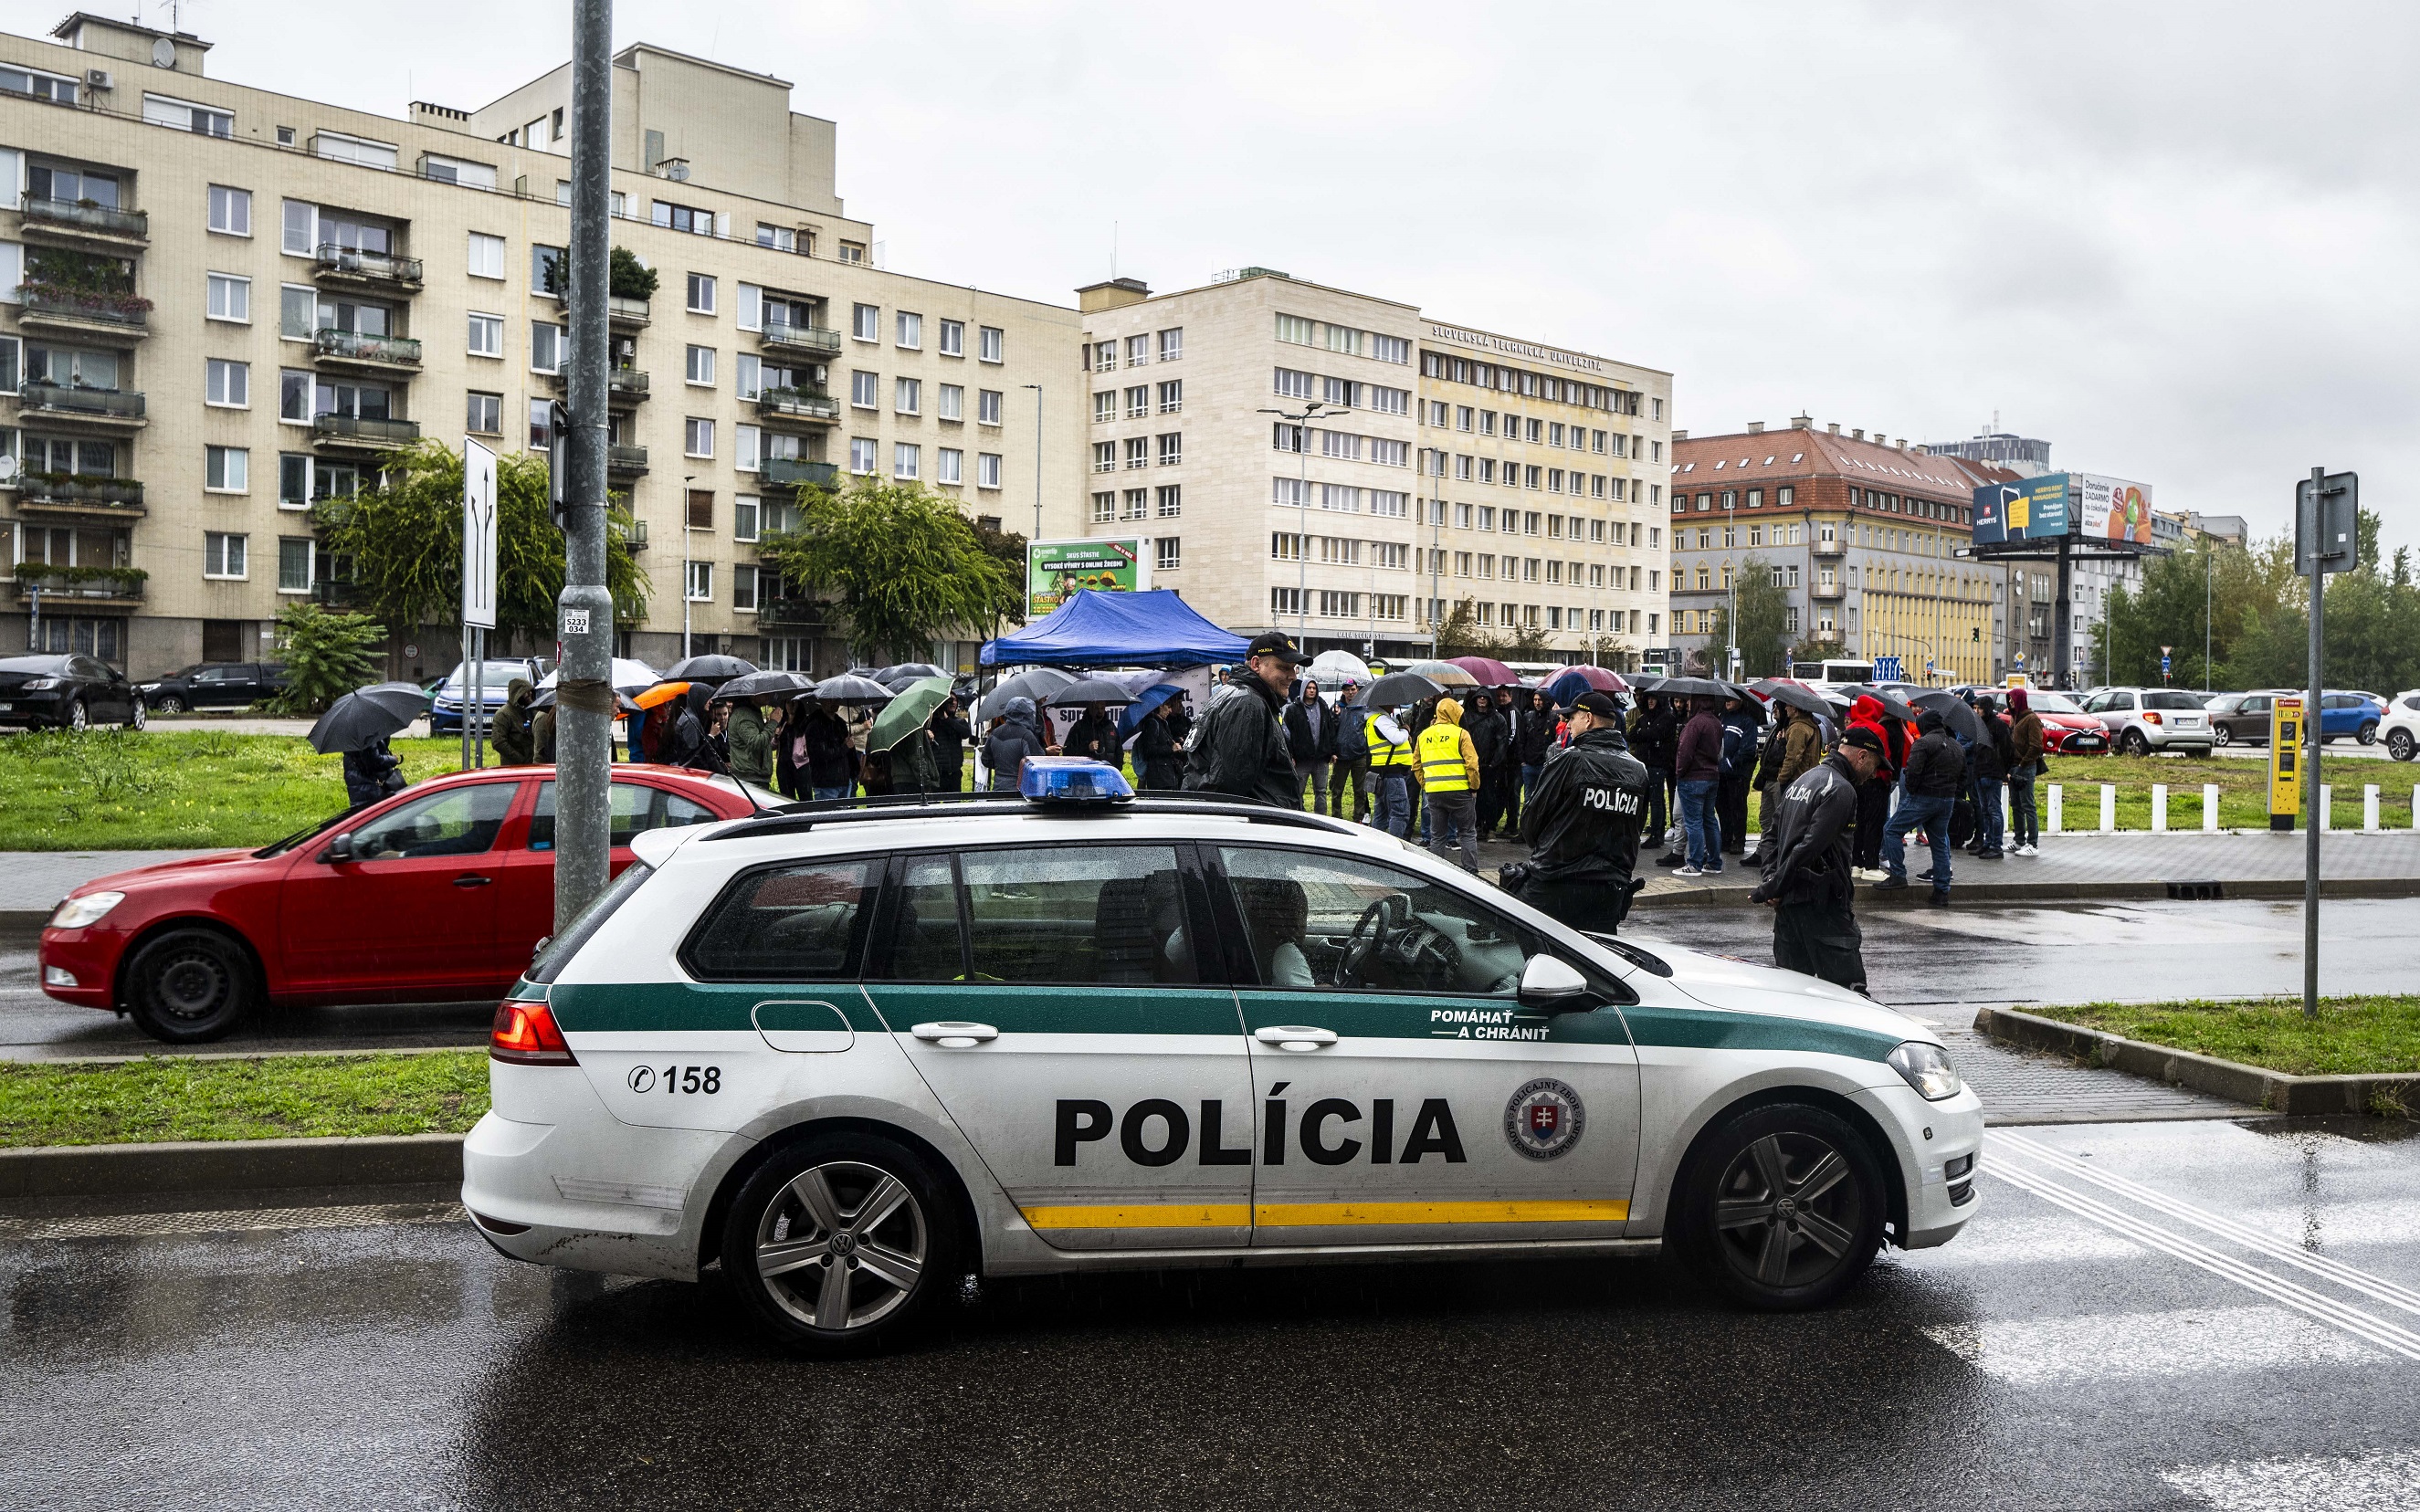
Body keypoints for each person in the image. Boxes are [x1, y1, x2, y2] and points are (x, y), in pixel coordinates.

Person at [1751, 725, 1883, 993]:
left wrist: (1772, 881)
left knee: (1792, 995)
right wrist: (1773, 886)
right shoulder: (1841, 789)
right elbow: (1810, 847)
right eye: (1875, 765)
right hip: (1824, 908)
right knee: (1847, 995)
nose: (1874, 774)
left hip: (1788, 909)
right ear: (1861, 757)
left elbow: (1770, 838)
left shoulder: (1803, 781)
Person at [1510, 691, 1650, 929]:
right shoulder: (1638, 771)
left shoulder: (1569, 761)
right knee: (1595, 962)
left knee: (1536, 958)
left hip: (1555, 884)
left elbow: (1530, 823)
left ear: (1588, 718)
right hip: (1608, 891)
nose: (1567, 724)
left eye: (1571, 718)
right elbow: (1634, 828)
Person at [1183, 631, 1303, 807]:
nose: (1293, 676)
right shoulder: (1248, 703)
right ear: (1256, 664)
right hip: (1257, 827)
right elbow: (1227, 791)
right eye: (1284, 667)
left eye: (1294, 668)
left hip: (1253, 824)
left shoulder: (1234, 694)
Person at [1877, 709, 1962, 903]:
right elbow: (1963, 776)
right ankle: (1941, 891)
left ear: (1924, 725)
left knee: (1891, 830)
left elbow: (1912, 773)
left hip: (1924, 797)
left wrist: (1914, 791)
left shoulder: (1923, 743)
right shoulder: (1956, 746)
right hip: (1947, 799)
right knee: (1939, 842)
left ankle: (1898, 875)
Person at [1415, 695, 1482, 873]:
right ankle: (1471, 872)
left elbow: (1416, 766)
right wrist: (1474, 787)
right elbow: (1472, 764)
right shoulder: (1461, 734)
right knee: (1467, 832)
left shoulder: (1424, 735)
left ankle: (1437, 874)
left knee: (1437, 837)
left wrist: (1427, 785)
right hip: (1460, 792)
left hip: (1434, 793)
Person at [1847, 695, 1899, 881]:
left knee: (1857, 822)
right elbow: (1884, 757)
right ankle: (1871, 865)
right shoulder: (1879, 729)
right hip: (1876, 782)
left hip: (1854, 782)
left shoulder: (1851, 728)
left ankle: (1856, 864)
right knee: (1874, 823)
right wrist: (1887, 778)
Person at [1759, 701, 1824, 849]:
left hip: (1795, 780)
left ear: (1794, 708)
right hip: (1807, 779)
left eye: (1787, 706)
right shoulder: (1811, 725)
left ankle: (1781, 854)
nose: (1785, 709)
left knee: (1787, 821)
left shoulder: (1798, 728)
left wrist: (1782, 778)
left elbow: (1793, 757)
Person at [1673, 695, 1725, 877]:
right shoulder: (1716, 723)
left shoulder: (1694, 724)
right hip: (1712, 776)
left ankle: (1694, 863)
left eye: (1689, 700)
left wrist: (1679, 771)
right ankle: (1714, 862)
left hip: (1693, 777)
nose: (1687, 703)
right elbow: (1719, 752)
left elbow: (1685, 752)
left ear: (1697, 702)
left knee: (1693, 822)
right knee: (1710, 820)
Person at [1631, 693, 1680, 866]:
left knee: (1656, 800)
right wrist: (1647, 734)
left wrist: (1645, 734)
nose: (1650, 702)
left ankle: (1657, 834)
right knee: (1647, 799)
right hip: (1644, 763)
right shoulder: (1644, 718)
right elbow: (1633, 735)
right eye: (1648, 699)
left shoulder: (1667, 718)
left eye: (1654, 699)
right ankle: (1652, 829)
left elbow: (1657, 734)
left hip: (1658, 764)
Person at [1282, 678, 1339, 813]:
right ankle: (1299, 816)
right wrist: (1291, 755)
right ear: (1303, 690)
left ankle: (1321, 819)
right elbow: (1286, 734)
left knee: (1321, 791)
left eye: (1314, 688)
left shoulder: (1323, 706)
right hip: (1301, 759)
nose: (1312, 690)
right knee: (1298, 791)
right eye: (1309, 688)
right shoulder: (1293, 709)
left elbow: (1330, 730)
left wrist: (1333, 751)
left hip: (1321, 758)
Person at [1716, 693, 1762, 859]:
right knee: (1722, 807)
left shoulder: (1747, 721)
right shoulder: (1722, 717)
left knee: (1737, 807)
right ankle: (1726, 838)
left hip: (1738, 773)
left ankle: (1739, 840)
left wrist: (1730, 763)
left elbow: (1748, 749)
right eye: (1726, 699)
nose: (1727, 702)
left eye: (1731, 699)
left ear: (1740, 701)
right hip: (1720, 772)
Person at [1364, 704, 1416, 836]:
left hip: (1382, 774)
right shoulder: (1381, 720)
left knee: (1381, 816)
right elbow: (1397, 739)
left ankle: (1376, 847)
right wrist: (1405, 731)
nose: (1393, 705)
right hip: (1392, 774)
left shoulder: (1372, 720)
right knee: (1400, 814)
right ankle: (1395, 848)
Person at [1468, 689, 1511, 842]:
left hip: (1490, 765)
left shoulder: (1498, 718)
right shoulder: (1468, 717)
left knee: (1490, 797)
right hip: (1472, 765)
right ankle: (1477, 825)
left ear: (1489, 700)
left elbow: (1502, 742)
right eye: (1479, 697)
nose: (1481, 699)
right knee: (1474, 798)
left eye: (1484, 697)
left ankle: (1491, 827)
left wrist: (1494, 763)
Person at [1970, 697, 2010, 861]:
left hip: (1992, 773)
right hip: (1980, 772)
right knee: (1985, 809)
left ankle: (1996, 845)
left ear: (1986, 708)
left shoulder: (1998, 725)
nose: (1976, 711)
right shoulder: (1980, 725)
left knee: (1994, 810)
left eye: (1979, 708)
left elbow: (2007, 749)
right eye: (1975, 708)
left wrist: (2003, 769)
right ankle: (1988, 842)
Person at [983, 695, 1049, 792]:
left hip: (998, 788)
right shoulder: (1026, 735)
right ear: (1029, 714)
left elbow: (985, 759)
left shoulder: (995, 732)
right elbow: (1036, 763)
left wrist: (1002, 768)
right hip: (1019, 790)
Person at [2006, 688, 2044, 856]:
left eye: (2013, 699)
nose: (2010, 702)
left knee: (2028, 804)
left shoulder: (2031, 719)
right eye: (2009, 700)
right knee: (2016, 804)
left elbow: (2036, 746)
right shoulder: (2015, 719)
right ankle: (2019, 839)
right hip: (2014, 766)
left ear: (2020, 700)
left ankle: (2033, 844)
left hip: (2026, 767)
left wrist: (2023, 763)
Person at [803, 699, 858, 799]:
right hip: (826, 783)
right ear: (823, 701)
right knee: (827, 813)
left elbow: (848, 751)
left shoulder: (840, 723)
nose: (835, 703)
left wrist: (854, 770)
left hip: (844, 780)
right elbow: (821, 754)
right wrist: (844, 747)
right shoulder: (815, 726)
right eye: (830, 700)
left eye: (837, 699)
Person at [1332, 683, 1372, 821]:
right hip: (1341, 756)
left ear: (1357, 690)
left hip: (1359, 755)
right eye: (1347, 690)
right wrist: (1335, 716)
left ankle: (1359, 817)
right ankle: (1336, 816)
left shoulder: (1364, 709)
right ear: (1343, 691)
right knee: (1337, 790)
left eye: (1353, 689)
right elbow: (1331, 730)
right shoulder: (1336, 708)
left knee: (1360, 790)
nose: (1350, 692)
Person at [1133, 696, 1185, 790]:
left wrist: (1175, 742)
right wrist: (1171, 749)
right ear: (1161, 706)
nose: (1170, 711)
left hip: (1166, 775)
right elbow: (1149, 750)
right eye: (1168, 707)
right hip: (1159, 777)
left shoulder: (1163, 723)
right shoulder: (1152, 723)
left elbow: (1162, 742)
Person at [342, 736, 405, 811]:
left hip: (359, 784)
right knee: (376, 815)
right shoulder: (366, 733)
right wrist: (393, 760)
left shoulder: (353, 733)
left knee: (363, 814)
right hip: (371, 787)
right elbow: (374, 761)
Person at [928, 698, 973, 793]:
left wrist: (947, 719)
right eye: (949, 701)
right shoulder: (933, 722)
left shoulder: (959, 721)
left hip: (955, 772)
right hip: (938, 772)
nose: (952, 703)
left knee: (954, 804)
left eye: (955, 700)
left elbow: (966, 733)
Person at [725, 698, 773, 786]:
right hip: (750, 779)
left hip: (755, 775)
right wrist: (773, 722)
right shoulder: (744, 716)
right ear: (752, 696)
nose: (768, 695)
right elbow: (756, 743)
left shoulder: (752, 713)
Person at [1062, 701, 1121, 767]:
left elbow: (1119, 750)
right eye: (1096, 708)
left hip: (1108, 772)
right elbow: (1067, 751)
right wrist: (1087, 748)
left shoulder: (1110, 726)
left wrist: (1117, 768)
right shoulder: (1079, 727)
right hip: (1086, 771)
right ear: (1089, 708)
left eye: (1102, 708)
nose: (1100, 711)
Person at [492, 677, 536, 765]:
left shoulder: (532, 711)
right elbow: (498, 742)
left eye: (530, 691)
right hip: (513, 767)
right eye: (525, 693)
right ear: (517, 694)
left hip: (532, 764)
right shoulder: (503, 714)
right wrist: (521, 759)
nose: (529, 694)